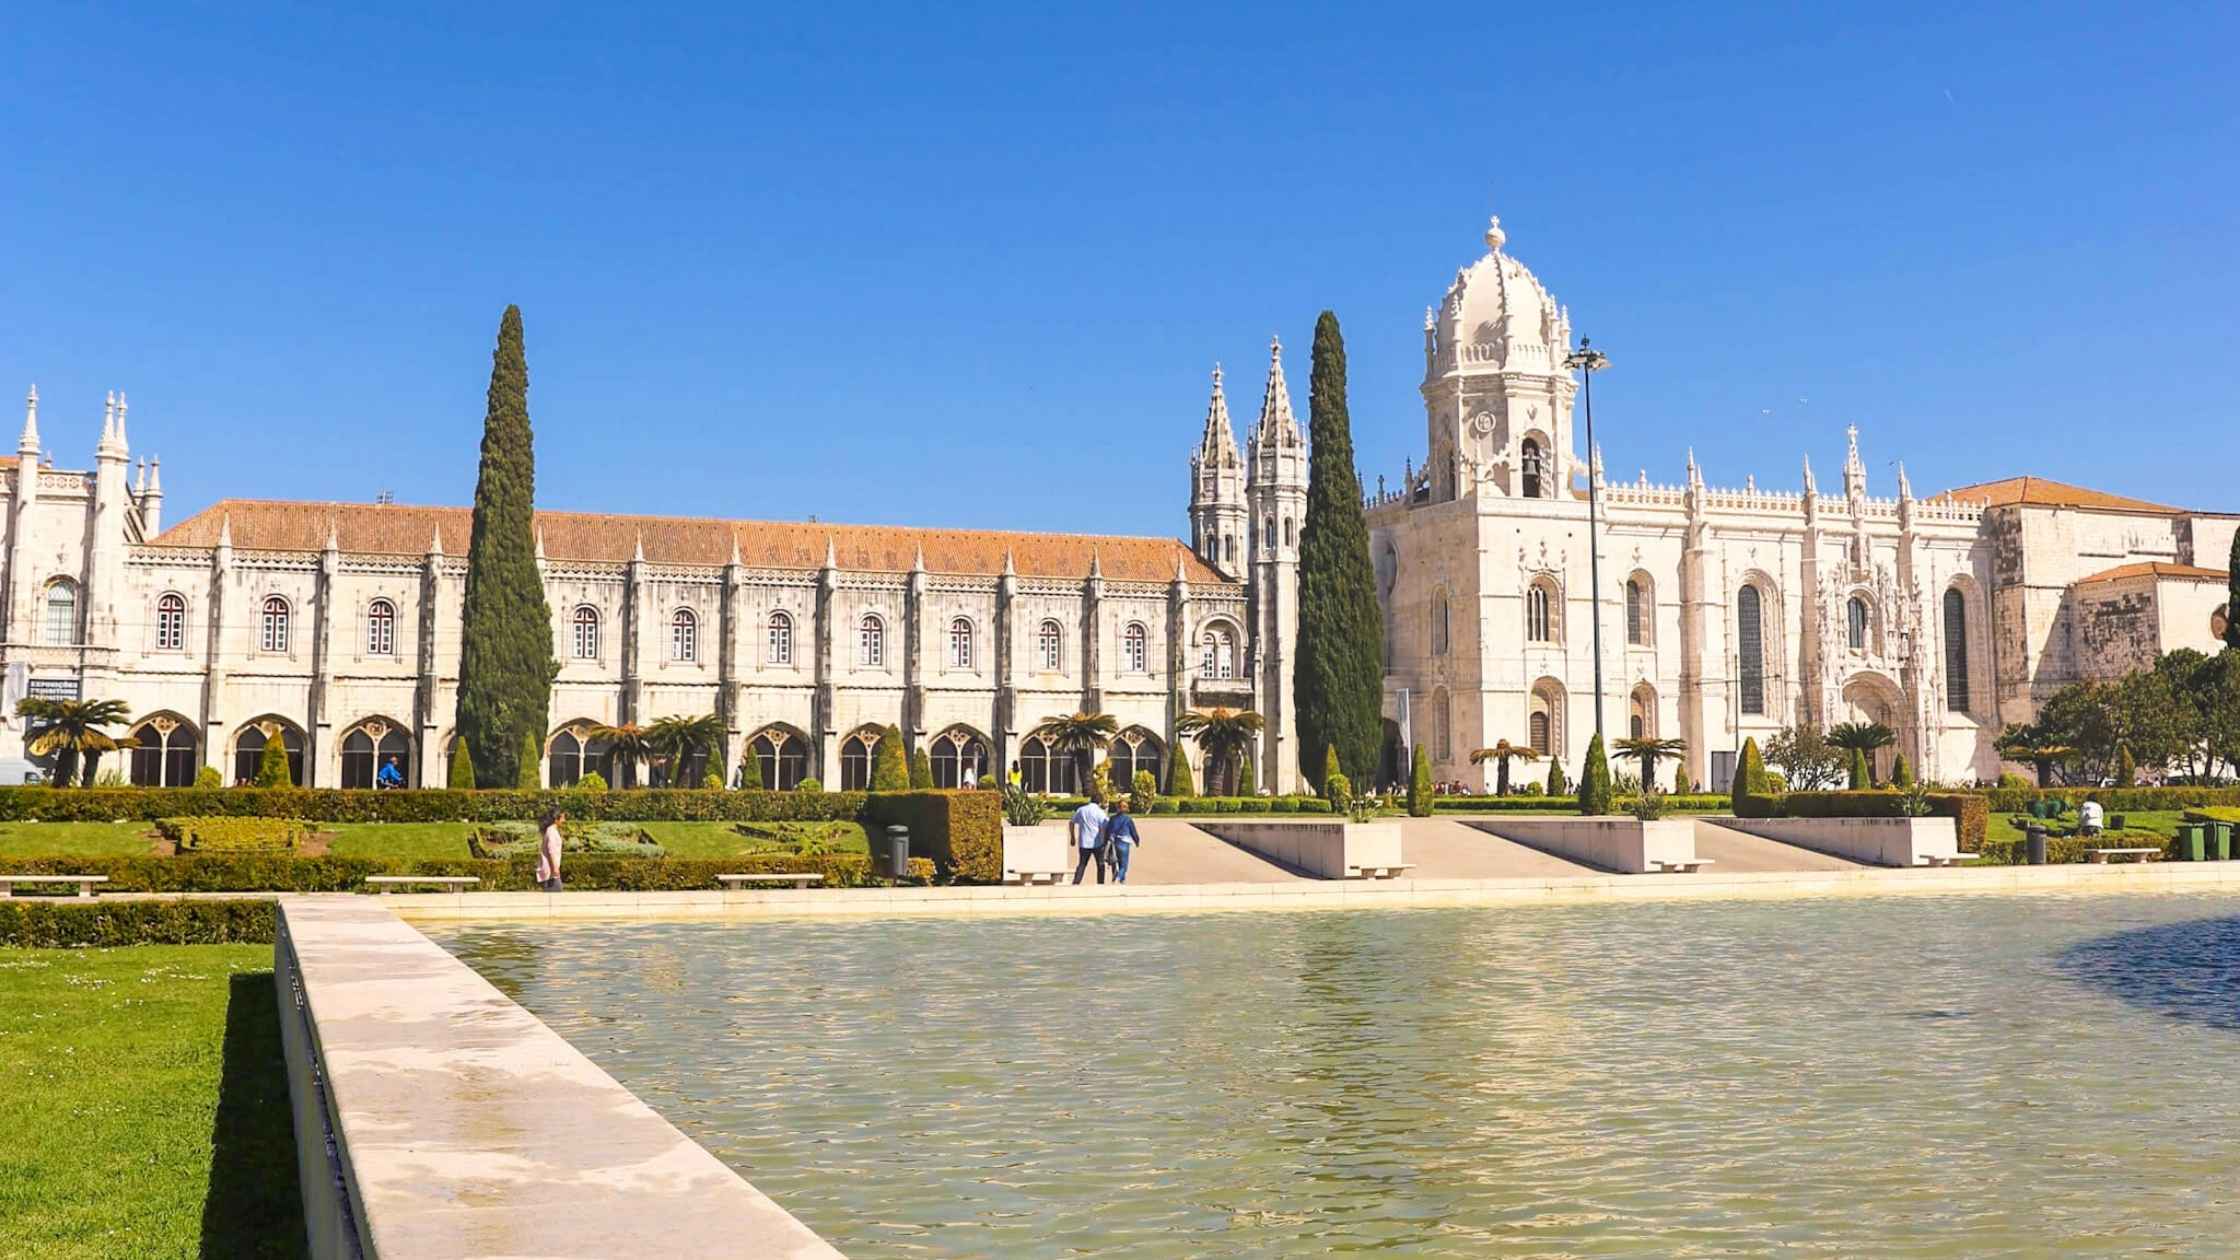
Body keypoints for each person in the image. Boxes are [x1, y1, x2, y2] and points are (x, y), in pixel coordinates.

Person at [1070, 794, 1110, 885]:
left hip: (1084, 842)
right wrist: (1104, 840)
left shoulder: (1081, 810)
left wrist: (1072, 837)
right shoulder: (1100, 812)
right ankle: (1100, 884)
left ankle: (1076, 882)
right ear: (1099, 802)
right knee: (1100, 865)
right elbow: (1104, 827)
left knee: (1082, 864)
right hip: (1097, 843)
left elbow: (1072, 822)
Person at [1104, 797, 1142, 883]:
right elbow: (1133, 832)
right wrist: (1137, 841)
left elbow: (1108, 831)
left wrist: (1106, 841)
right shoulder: (1128, 819)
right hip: (1124, 842)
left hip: (1114, 842)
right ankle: (1119, 877)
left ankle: (1121, 879)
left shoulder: (1112, 818)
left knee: (1114, 861)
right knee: (1123, 864)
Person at [535, 807, 567, 892]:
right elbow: (551, 852)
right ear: (556, 819)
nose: (564, 820)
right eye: (562, 818)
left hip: (551, 872)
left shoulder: (551, 830)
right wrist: (555, 869)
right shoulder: (551, 832)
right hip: (551, 873)